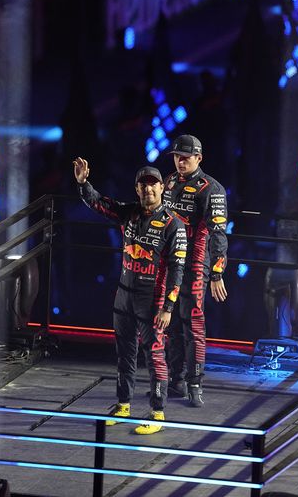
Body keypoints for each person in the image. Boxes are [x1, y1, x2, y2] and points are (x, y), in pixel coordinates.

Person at [74, 157, 187, 435]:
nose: (148, 190)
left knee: (155, 355)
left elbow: (177, 270)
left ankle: (157, 412)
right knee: (124, 353)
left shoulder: (174, 225)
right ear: (137, 189)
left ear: (162, 188)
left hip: (153, 300)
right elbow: (99, 203)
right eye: (143, 186)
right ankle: (123, 404)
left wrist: (168, 307)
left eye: (153, 185)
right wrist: (83, 183)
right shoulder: (129, 212)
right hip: (123, 296)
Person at [162, 134, 229, 407]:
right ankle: (174, 381)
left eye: (186, 157)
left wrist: (216, 272)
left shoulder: (211, 188)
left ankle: (195, 384)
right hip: (168, 265)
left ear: (199, 158)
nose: (181, 161)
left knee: (193, 326)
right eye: (177, 156)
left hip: (195, 267)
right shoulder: (168, 182)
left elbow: (219, 233)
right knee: (171, 326)